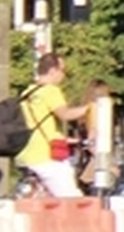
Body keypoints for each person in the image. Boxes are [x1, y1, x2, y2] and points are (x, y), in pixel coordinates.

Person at [15, 54, 84, 199]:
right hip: (45, 156)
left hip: (25, 153)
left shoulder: (28, 92)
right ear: (53, 71)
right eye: (62, 70)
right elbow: (65, 114)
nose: (64, 75)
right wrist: (91, 108)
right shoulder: (50, 91)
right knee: (72, 199)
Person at [81, 80, 118, 195]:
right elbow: (92, 139)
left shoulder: (87, 111)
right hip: (98, 159)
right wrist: (108, 164)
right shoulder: (99, 111)